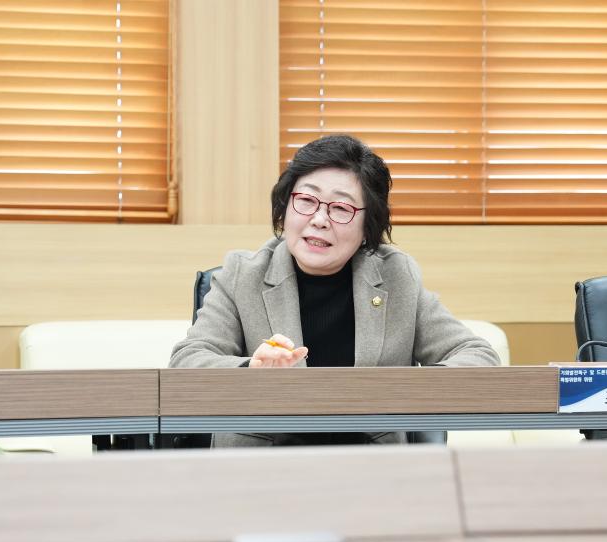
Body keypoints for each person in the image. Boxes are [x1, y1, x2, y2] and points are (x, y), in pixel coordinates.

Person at [170, 134, 500, 447]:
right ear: (285, 207)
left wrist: (401, 391)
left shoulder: (396, 276)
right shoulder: (242, 275)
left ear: (368, 227)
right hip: (264, 470)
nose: (319, 219)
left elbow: (478, 357)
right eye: (306, 200)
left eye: (341, 208)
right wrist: (251, 371)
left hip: (372, 471)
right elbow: (187, 363)